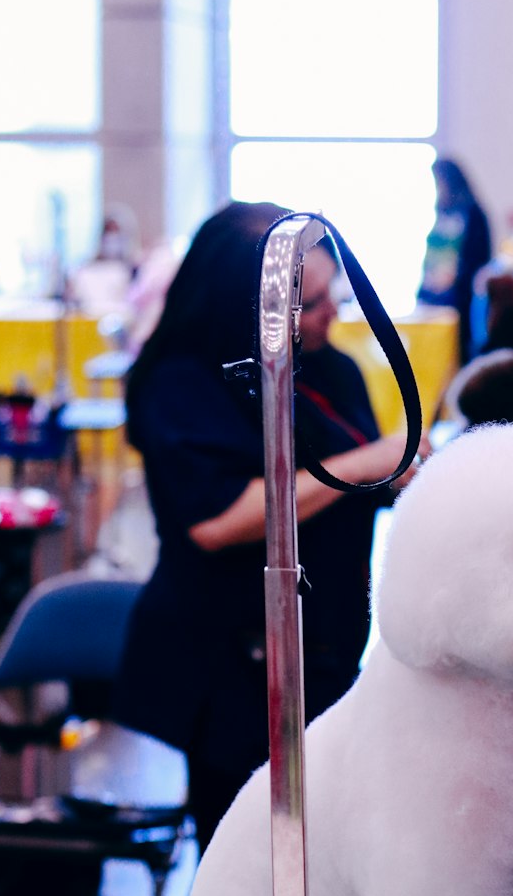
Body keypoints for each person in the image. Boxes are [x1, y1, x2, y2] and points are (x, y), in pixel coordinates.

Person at [115, 200, 423, 852]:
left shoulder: (331, 370)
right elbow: (217, 519)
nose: (330, 315)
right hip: (229, 659)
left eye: (329, 296)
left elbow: (354, 489)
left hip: (326, 648)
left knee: (327, 853)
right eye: (308, 305)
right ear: (245, 305)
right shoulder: (179, 384)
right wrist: (371, 462)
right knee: (247, 861)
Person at [416, 157, 492, 365]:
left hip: (460, 302)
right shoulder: (441, 216)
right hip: (434, 301)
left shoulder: (473, 216)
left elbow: (477, 261)